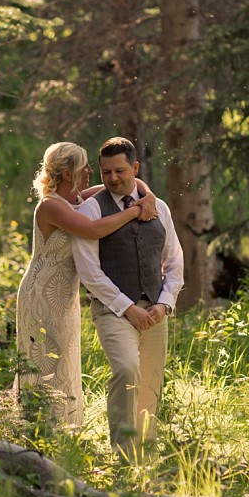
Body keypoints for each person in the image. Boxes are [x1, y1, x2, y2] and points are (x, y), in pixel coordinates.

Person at [15, 142, 157, 427]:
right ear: (69, 173)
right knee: (45, 359)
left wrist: (148, 196)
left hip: (64, 295)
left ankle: (62, 426)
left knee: (63, 358)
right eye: (85, 166)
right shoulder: (50, 206)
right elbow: (93, 230)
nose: (92, 170)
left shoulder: (78, 198)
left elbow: (132, 182)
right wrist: (135, 210)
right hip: (41, 293)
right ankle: (38, 426)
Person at [71, 137, 184, 461]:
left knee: (149, 383)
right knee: (126, 369)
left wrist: (165, 302)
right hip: (113, 310)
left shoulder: (158, 207)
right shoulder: (92, 209)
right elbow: (90, 272)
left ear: (135, 168)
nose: (113, 179)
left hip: (155, 310)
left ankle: (145, 456)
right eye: (106, 173)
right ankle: (122, 455)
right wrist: (128, 308)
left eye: (120, 171)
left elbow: (174, 260)